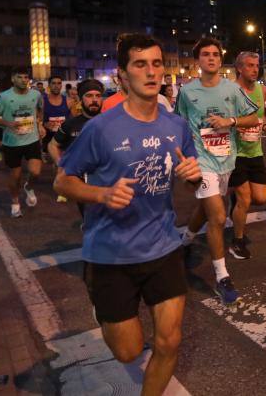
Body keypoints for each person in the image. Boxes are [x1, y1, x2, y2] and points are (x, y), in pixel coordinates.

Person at [53, 33, 201, 396]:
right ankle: (104, 310)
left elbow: (190, 182)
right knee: (129, 351)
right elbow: (63, 181)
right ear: (122, 75)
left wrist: (193, 179)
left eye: (156, 64)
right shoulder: (100, 128)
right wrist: (101, 193)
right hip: (111, 253)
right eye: (140, 65)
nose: (151, 73)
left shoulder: (176, 126)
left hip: (163, 245)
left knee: (168, 343)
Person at [175, 38, 259, 304]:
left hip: (226, 161)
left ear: (220, 60)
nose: (211, 58)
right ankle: (222, 276)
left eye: (215, 54)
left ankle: (185, 241)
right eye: (205, 54)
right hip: (202, 160)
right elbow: (179, 124)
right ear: (198, 60)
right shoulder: (187, 92)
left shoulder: (231, 89)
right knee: (219, 216)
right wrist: (183, 158)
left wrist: (230, 121)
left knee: (207, 208)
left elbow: (253, 117)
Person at [227, 51, 266, 259]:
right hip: (235, 153)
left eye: (257, 65)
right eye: (250, 65)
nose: (255, 69)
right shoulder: (229, 91)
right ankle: (237, 241)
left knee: (261, 198)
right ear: (239, 68)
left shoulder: (261, 90)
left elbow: (260, 119)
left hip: (255, 152)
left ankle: (234, 205)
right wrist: (234, 126)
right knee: (244, 199)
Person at [0, 68, 44, 218]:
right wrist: (8, 123)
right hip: (12, 142)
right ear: (13, 79)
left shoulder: (36, 94)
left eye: (26, 77)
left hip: (31, 139)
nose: (23, 80)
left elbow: (39, 109)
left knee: (36, 172)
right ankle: (15, 202)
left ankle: (29, 187)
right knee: (16, 176)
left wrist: (39, 124)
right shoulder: (4, 97)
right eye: (20, 77)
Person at [48, 79, 105, 212]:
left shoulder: (110, 121)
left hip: (106, 179)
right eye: (89, 96)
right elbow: (52, 145)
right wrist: (61, 164)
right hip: (81, 183)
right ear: (80, 99)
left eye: (97, 96)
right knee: (88, 216)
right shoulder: (70, 124)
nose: (94, 100)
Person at [41, 76, 70, 161]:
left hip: (63, 136)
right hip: (48, 137)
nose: (56, 86)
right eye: (53, 83)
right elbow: (38, 118)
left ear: (61, 85)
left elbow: (74, 121)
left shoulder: (69, 101)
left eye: (59, 83)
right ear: (49, 85)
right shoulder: (43, 100)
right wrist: (44, 124)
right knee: (54, 163)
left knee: (60, 163)